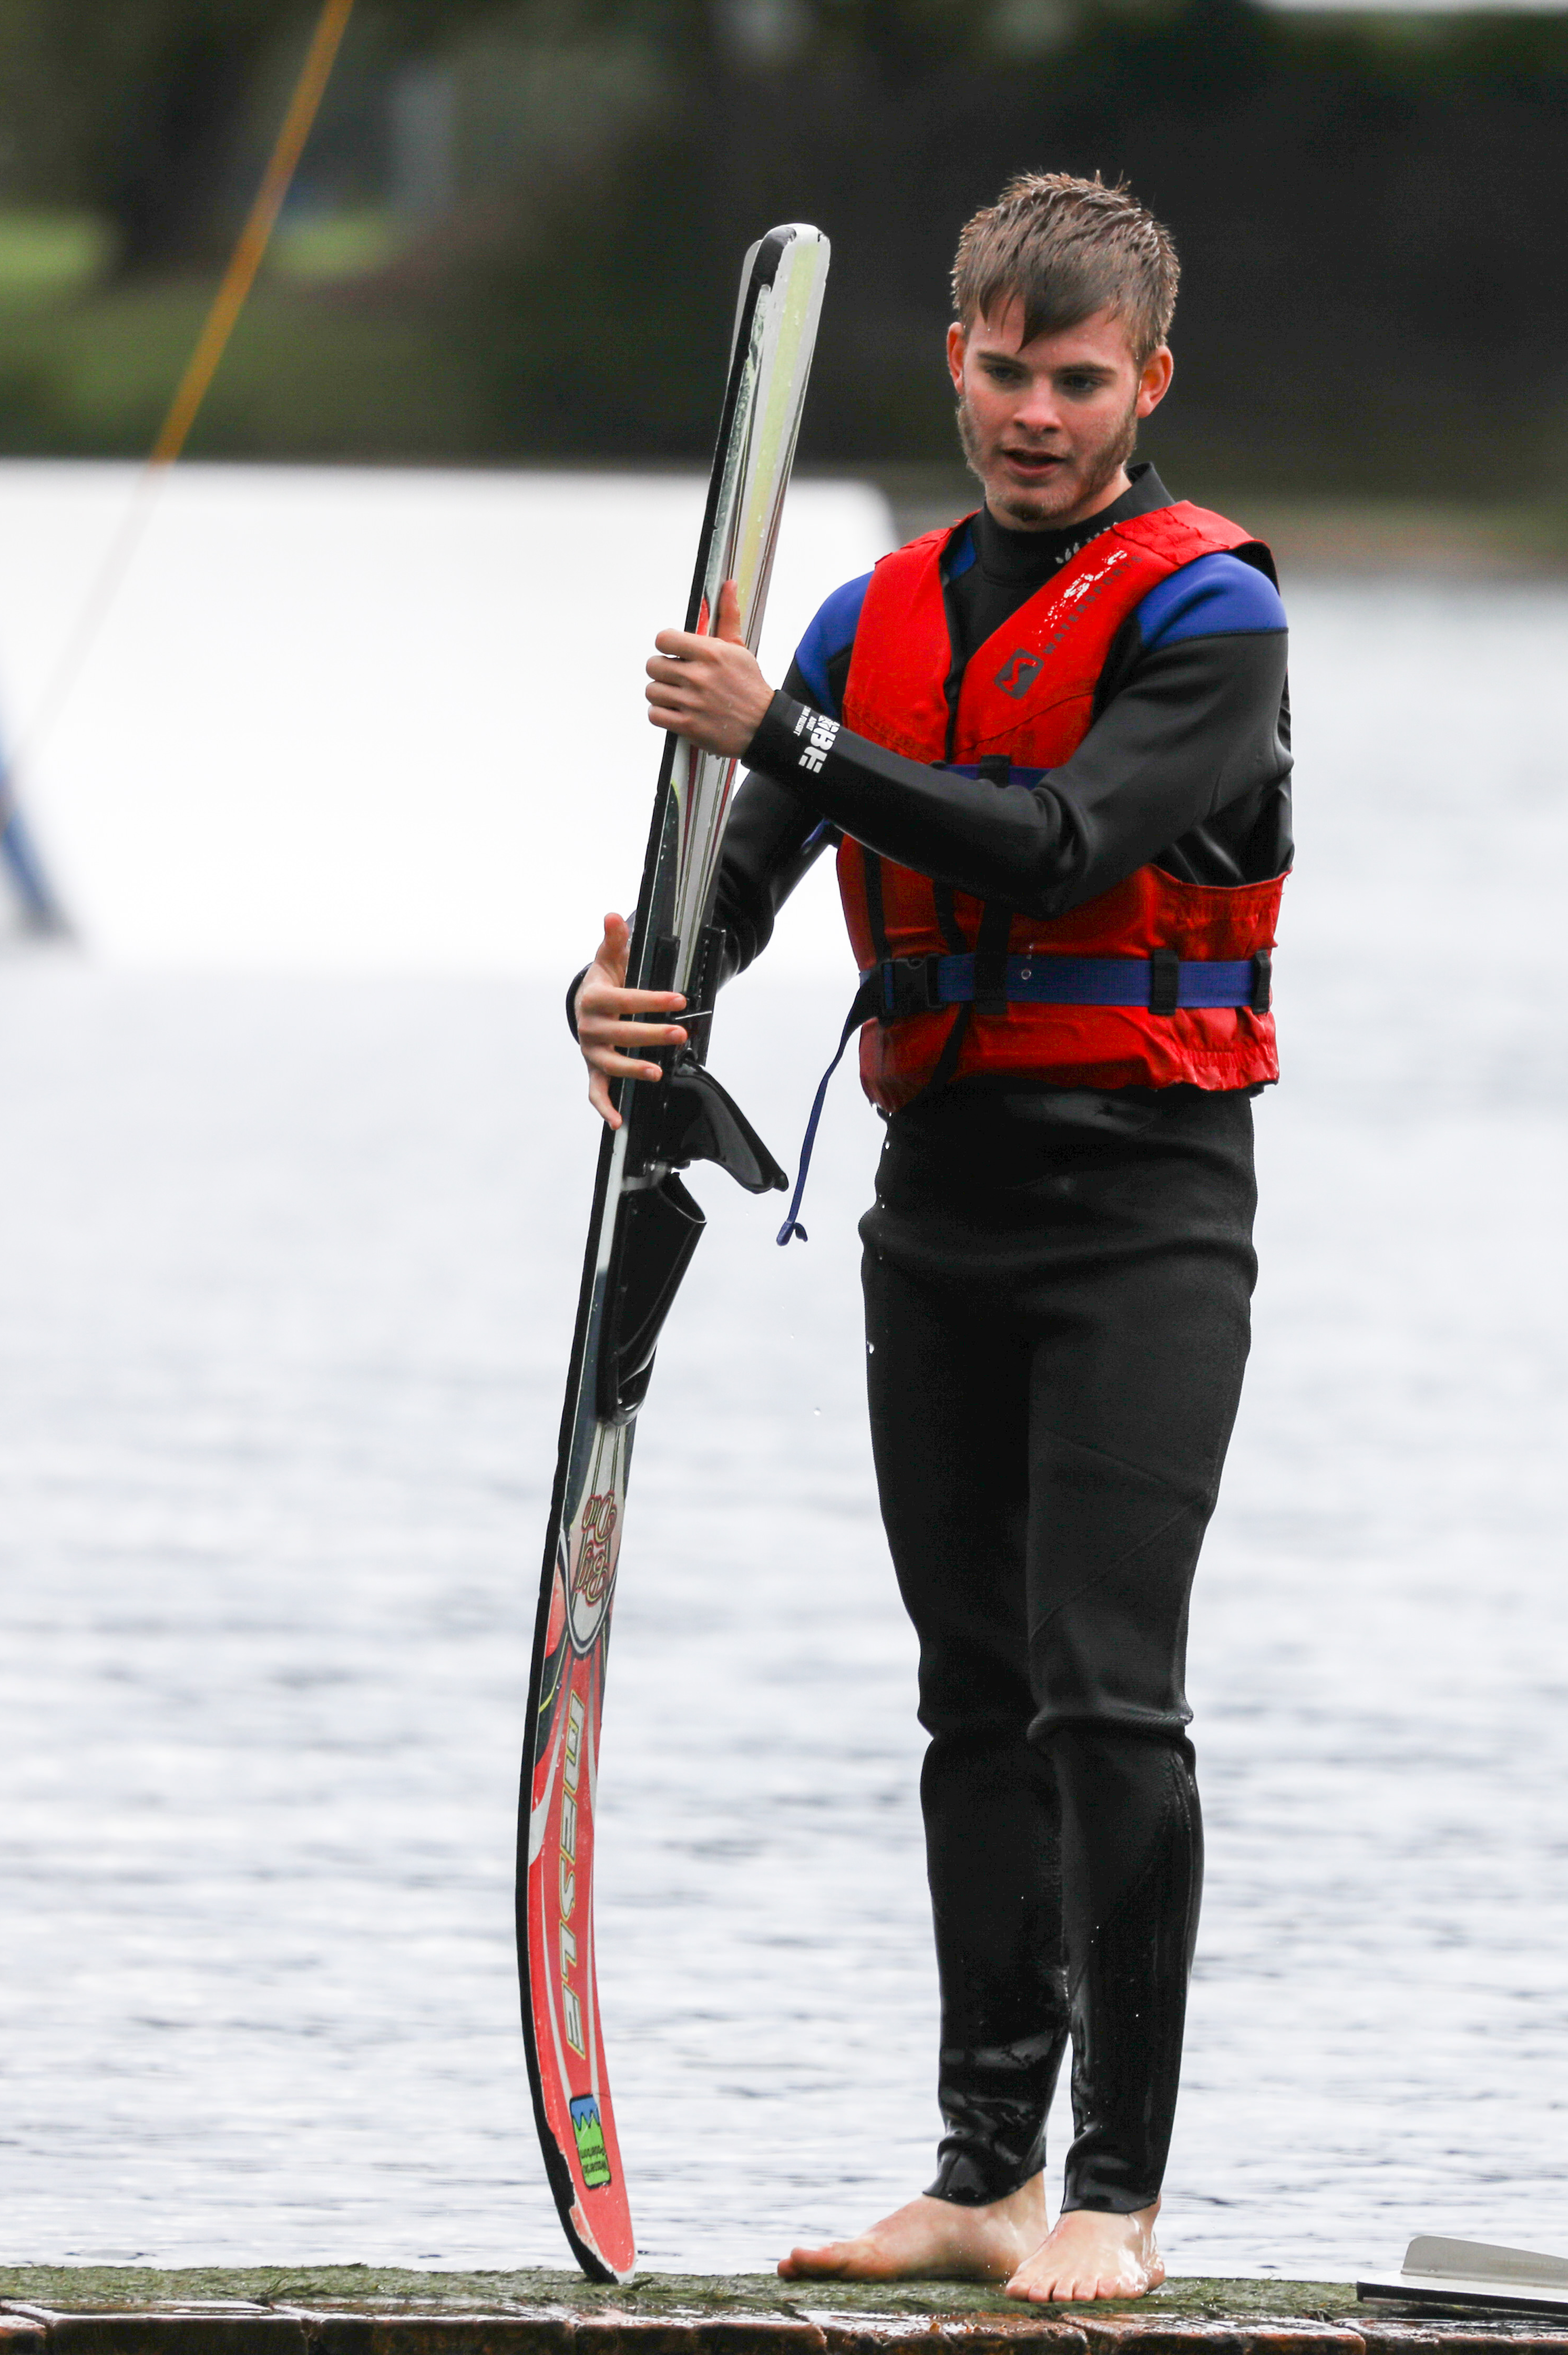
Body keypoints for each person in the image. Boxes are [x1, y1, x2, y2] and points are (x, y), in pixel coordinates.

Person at [569, 171, 1291, 2301]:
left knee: (1102, 1694)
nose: (1034, 414)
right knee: (969, 1696)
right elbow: (723, 915)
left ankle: (1116, 2194)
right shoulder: (865, 625)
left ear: (1147, 386)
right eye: (1003, 371)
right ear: (953, 364)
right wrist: (624, 1003)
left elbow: (1059, 849)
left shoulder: (1212, 618)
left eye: (1078, 381)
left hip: (1147, 1213)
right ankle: (984, 2173)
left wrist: (782, 734)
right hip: (941, 1205)